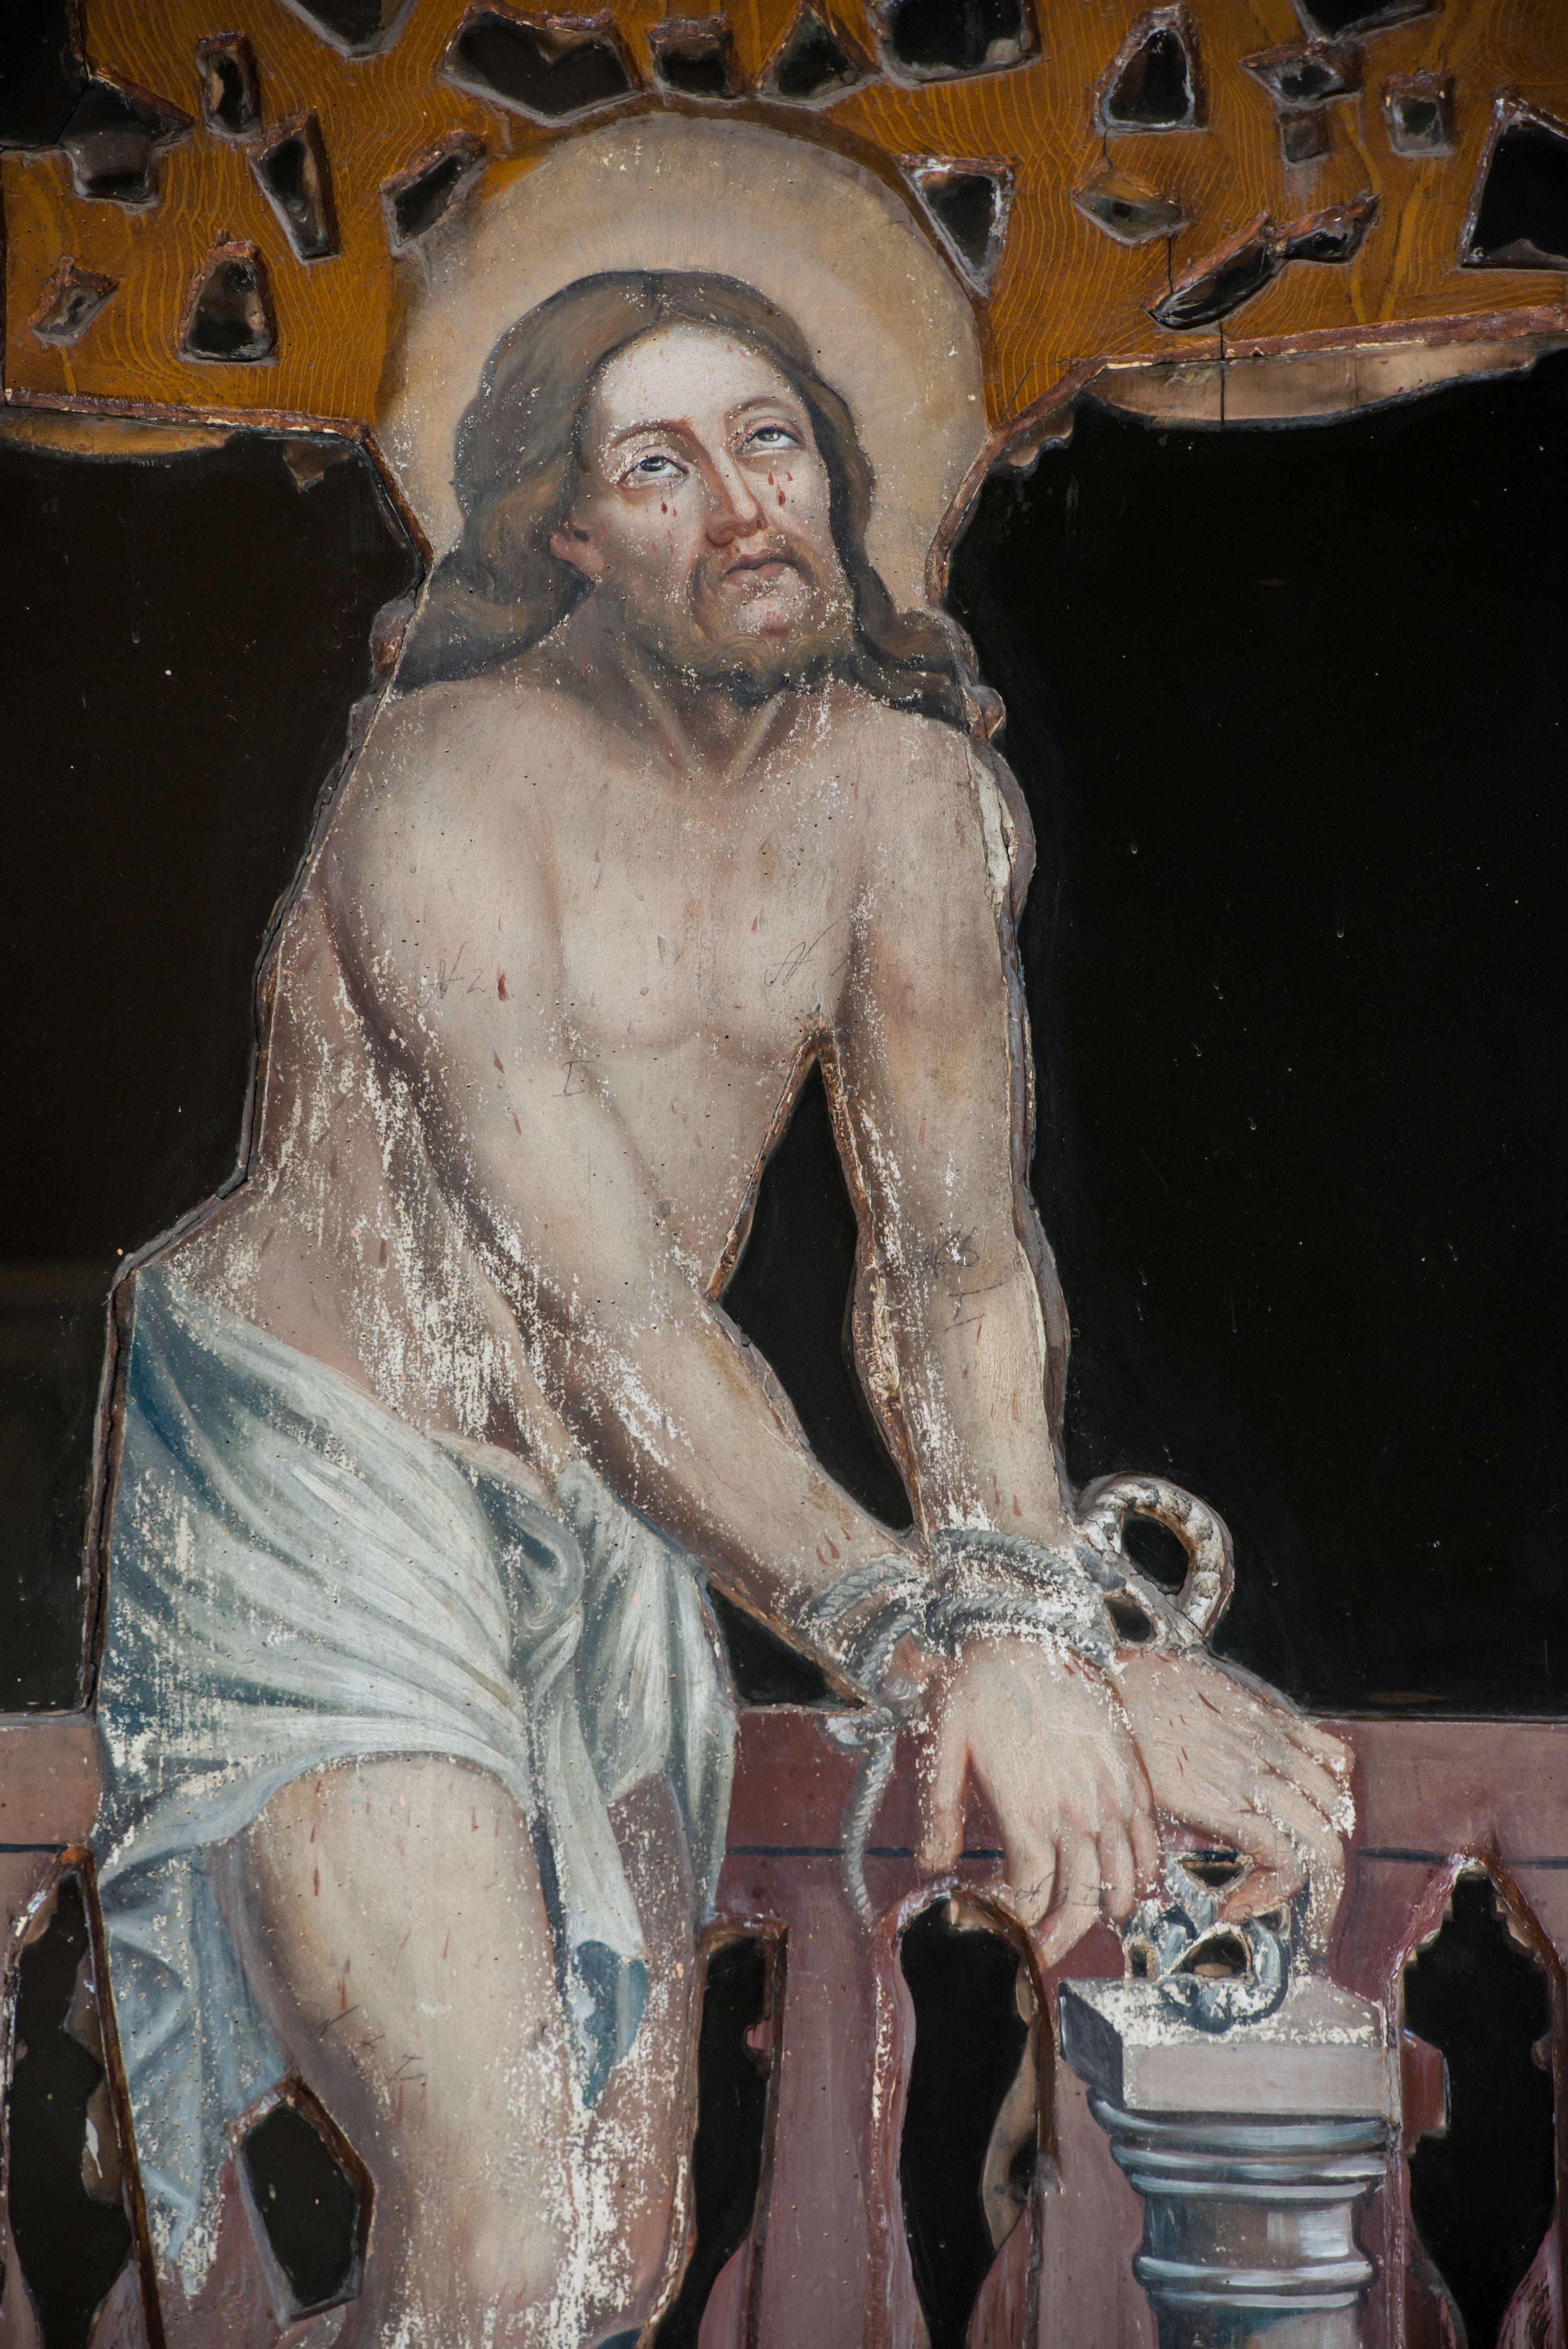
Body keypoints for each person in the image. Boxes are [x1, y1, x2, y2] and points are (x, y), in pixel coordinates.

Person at [93, 270, 1351, 2345]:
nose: (742, 502)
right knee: (501, 2239)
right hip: (322, 1475)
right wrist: (922, 1637)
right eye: (660, 467)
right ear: (571, 536)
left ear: (842, 477)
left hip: (613, 1501)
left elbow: (952, 1259)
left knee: (606, 2260)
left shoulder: (906, 799)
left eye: (771, 442)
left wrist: (1036, 1622)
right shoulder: (447, 787)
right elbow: (594, 1301)